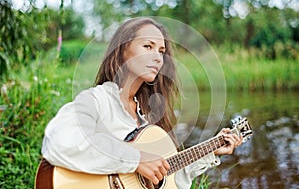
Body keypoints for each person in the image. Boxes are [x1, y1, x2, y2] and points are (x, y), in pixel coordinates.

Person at [41, 17, 243, 189]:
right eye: (148, 46)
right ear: (122, 51)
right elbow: (59, 142)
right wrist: (135, 160)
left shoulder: (147, 118)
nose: (157, 57)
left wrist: (210, 151)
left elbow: (170, 180)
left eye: (161, 51)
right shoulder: (98, 100)